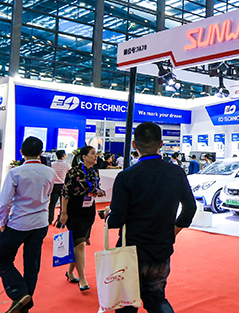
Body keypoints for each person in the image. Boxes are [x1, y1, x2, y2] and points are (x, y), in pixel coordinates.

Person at [105, 122, 197, 312]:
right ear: (161, 144)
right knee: (157, 299)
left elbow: (116, 220)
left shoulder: (126, 176)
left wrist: (108, 216)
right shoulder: (176, 173)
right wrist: (173, 231)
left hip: (131, 249)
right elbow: (190, 207)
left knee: (126, 303)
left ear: (134, 145)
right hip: (160, 248)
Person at [0, 137, 55, 313]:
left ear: (21, 152)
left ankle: (19, 293)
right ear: (41, 152)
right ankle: (24, 305)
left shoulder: (16, 172)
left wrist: (2, 223)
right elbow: (49, 194)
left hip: (19, 222)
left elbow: (4, 202)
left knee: (3, 259)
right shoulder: (50, 172)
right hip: (40, 222)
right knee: (32, 265)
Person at [59, 146, 106, 291]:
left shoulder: (95, 171)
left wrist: (99, 192)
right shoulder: (73, 172)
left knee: (79, 243)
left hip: (89, 210)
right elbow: (65, 193)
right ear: (84, 157)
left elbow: (95, 187)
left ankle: (70, 272)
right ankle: (82, 278)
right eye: (93, 154)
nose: (96, 156)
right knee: (80, 244)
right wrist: (63, 213)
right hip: (74, 210)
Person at [49, 149, 70, 225]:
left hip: (54, 185)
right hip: (63, 185)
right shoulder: (67, 165)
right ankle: (60, 220)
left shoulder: (52, 164)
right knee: (63, 204)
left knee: (52, 203)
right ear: (64, 156)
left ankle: (50, 219)